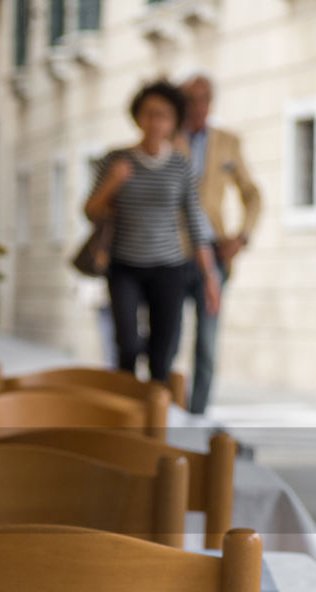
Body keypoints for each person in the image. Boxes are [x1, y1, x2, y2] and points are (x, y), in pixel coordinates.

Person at [84, 80, 220, 384]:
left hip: (169, 267)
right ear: (137, 116)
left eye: (164, 115)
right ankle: (125, 420)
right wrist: (113, 183)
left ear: (174, 122)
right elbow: (90, 211)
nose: (156, 122)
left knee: (161, 356)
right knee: (128, 347)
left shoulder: (180, 166)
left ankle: (154, 426)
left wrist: (210, 276)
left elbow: (194, 222)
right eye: (149, 113)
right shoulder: (115, 159)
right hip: (124, 266)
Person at [174, 73, 262, 414]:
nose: (198, 107)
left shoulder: (227, 143)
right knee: (168, 338)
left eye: (204, 99)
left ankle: (197, 414)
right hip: (172, 253)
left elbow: (252, 195)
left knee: (207, 343)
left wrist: (241, 237)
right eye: (191, 99)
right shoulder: (167, 137)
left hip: (213, 255)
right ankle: (166, 411)